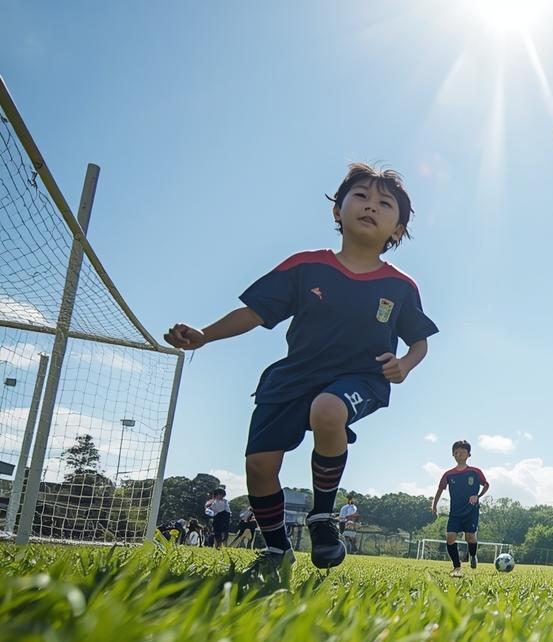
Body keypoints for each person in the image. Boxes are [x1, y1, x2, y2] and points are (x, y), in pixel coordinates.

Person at [163, 163, 436, 582]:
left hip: (361, 379)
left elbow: (420, 342)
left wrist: (405, 365)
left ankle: (322, 517)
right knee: (259, 467)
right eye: (361, 196)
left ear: (397, 230)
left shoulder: (401, 286)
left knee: (328, 409)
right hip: (292, 378)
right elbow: (253, 313)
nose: (370, 206)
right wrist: (204, 334)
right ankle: (277, 549)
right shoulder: (306, 266)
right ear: (337, 211)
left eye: (385, 204)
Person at [432, 440, 489, 577]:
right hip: (455, 513)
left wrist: (478, 496)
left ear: (469, 454)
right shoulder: (448, 474)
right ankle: (457, 566)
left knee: (470, 537)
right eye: (456, 452)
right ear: (453, 455)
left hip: (471, 511)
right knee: (450, 538)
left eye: (463, 452)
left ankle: (473, 555)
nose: (460, 455)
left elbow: (486, 485)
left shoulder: (475, 472)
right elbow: (440, 489)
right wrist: (434, 505)